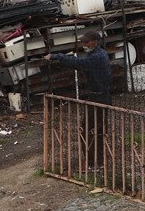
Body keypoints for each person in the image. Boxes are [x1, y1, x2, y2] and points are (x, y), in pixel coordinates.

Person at [46, 31, 112, 167]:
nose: (84, 44)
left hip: (99, 97)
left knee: (89, 130)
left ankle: (94, 162)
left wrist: (56, 56)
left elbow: (78, 63)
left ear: (95, 41)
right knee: (94, 129)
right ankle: (96, 160)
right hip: (98, 95)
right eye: (83, 42)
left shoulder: (97, 57)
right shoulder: (96, 54)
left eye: (86, 42)